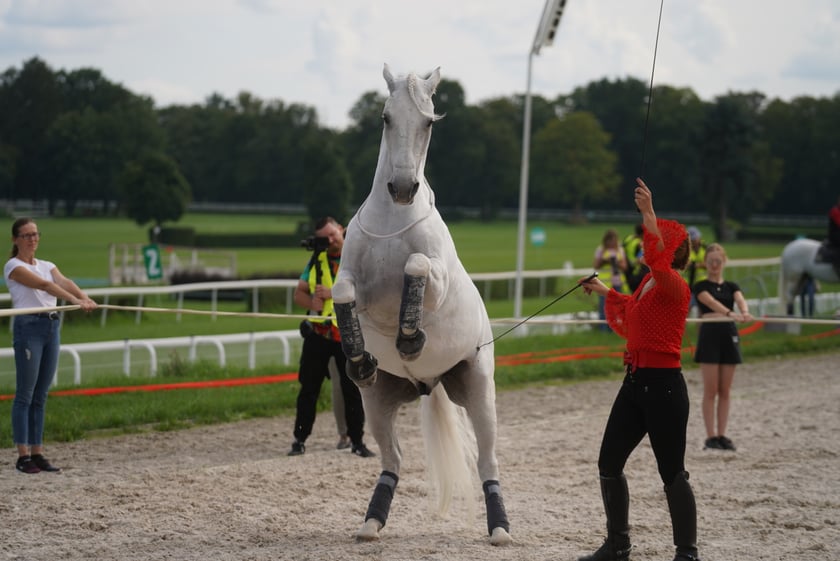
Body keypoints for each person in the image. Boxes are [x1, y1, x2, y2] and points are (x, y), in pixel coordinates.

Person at [579, 178, 700, 561]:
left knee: (672, 473)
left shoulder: (674, 285)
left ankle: (687, 553)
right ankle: (618, 546)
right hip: (634, 384)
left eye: (657, 240)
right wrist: (604, 291)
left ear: (670, 252)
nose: (649, 245)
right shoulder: (649, 282)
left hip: (665, 389)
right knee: (608, 463)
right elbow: (634, 309)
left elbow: (657, 263)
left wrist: (648, 210)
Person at [4, 217, 98, 474]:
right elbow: (45, 285)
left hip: (51, 327)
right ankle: (23, 456)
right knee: (25, 394)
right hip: (28, 328)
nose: (32, 239)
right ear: (16, 239)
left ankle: (37, 452)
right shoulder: (13, 266)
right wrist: (74, 301)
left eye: (35, 234)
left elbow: (64, 281)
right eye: (26, 235)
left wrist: (84, 297)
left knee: (41, 394)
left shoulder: (47, 265)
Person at [288, 216, 374, 458]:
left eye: (332, 235)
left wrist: (332, 293)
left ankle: (357, 441)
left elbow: (368, 293)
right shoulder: (317, 260)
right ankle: (299, 440)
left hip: (347, 334)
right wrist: (311, 303)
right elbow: (299, 294)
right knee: (308, 389)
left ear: (341, 230)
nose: (330, 240)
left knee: (352, 390)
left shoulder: (357, 258)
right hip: (318, 333)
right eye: (324, 238)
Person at [692, 243, 753, 452]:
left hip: (728, 335)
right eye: (711, 261)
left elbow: (740, 300)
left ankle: (722, 434)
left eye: (718, 261)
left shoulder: (732, 286)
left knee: (725, 390)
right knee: (710, 390)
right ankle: (710, 436)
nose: (714, 265)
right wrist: (729, 313)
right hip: (710, 337)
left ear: (724, 262)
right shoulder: (700, 286)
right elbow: (710, 303)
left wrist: (744, 312)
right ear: (705, 263)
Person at [592, 229, 628, 331]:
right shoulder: (601, 250)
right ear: (606, 240)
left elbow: (624, 266)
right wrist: (604, 261)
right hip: (604, 283)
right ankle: (603, 329)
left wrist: (616, 262)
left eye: (614, 240)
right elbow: (596, 265)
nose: (612, 243)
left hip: (617, 282)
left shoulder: (620, 250)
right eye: (610, 241)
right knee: (604, 307)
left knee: (616, 308)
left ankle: (614, 329)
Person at [622, 223, 648, 292]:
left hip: (628, 272)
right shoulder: (640, 244)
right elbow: (642, 259)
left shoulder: (628, 239)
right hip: (637, 273)